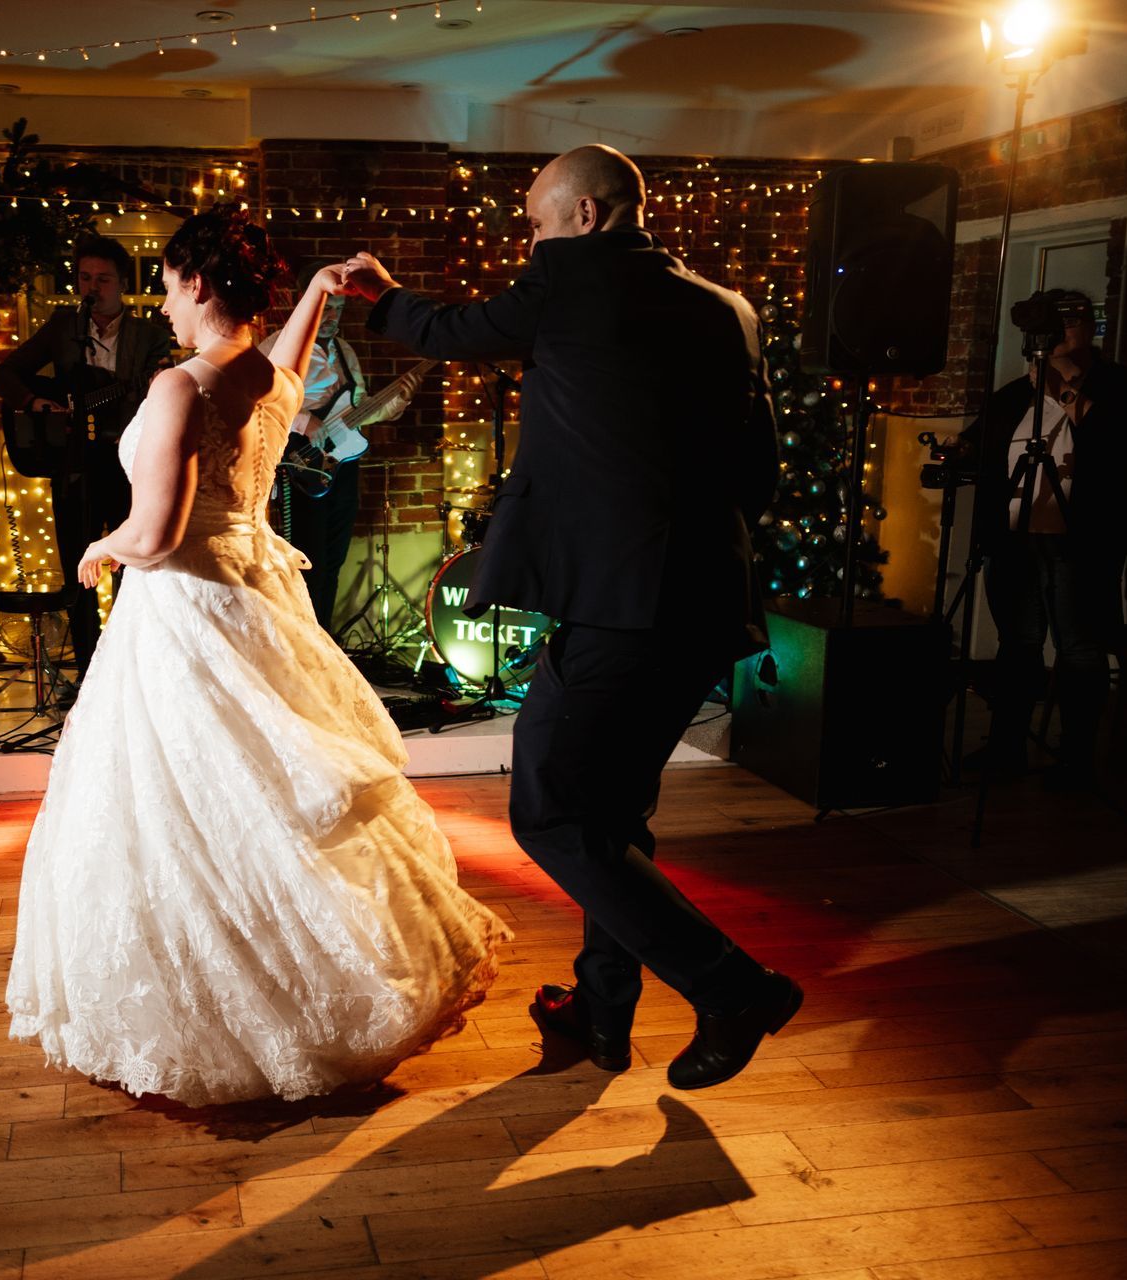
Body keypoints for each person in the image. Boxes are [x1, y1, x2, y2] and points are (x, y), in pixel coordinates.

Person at [4, 208, 509, 1107]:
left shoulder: (179, 386)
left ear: (196, 283)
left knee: (183, 807)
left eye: (163, 283)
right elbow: (287, 362)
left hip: (189, 608)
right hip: (255, 593)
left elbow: (157, 534)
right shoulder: (268, 384)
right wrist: (319, 292)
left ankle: (228, 1007)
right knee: (265, 796)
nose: (159, 302)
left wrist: (102, 546)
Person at [342, 144, 799, 1091]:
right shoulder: (732, 310)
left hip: (618, 610)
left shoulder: (570, 276)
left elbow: (452, 330)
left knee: (549, 812)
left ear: (586, 218)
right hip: (707, 601)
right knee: (615, 812)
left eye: (539, 222)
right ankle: (601, 1010)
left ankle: (731, 987)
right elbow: (760, 465)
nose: (532, 238)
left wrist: (381, 294)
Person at [963, 288, 1127, 790]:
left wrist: (1061, 391)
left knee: (1079, 648)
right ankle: (1006, 748)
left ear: (1092, 327)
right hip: (1017, 540)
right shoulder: (1014, 392)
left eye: (1075, 318)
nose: (1065, 328)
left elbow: (1119, 448)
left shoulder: (1120, 386)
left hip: (1082, 541)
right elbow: (977, 445)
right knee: (1018, 645)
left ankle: (1076, 758)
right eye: (1055, 320)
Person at [0, 234, 171, 674]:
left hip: (131, 467)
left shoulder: (149, 335)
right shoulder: (63, 328)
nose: (93, 287)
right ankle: (90, 670)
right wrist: (37, 405)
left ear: (121, 284)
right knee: (79, 566)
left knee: (136, 566)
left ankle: (136, 666)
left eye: (103, 279)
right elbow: (6, 373)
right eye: (85, 277)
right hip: (74, 465)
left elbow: (161, 392)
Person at [258, 261, 424, 633]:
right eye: (326, 307)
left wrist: (393, 405)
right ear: (307, 302)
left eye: (339, 309)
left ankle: (327, 641)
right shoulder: (278, 346)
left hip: (341, 464)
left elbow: (356, 412)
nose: (332, 316)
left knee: (334, 560)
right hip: (298, 465)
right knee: (307, 561)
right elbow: (259, 402)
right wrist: (304, 420)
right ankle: (301, 644)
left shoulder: (345, 352)